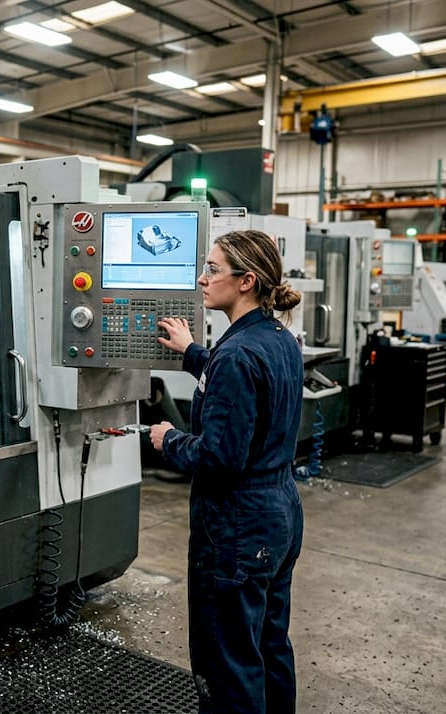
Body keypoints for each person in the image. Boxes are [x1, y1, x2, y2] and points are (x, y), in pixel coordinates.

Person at [149, 229, 305, 713]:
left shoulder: (237, 355)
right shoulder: (278, 338)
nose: (202, 278)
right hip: (278, 514)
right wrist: (194, 352)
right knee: (267, 644)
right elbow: (241, 389)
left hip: (237, 523)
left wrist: (168, 440)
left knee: (227, 661)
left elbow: (219, 457)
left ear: (247, 280)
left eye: (213, 269)